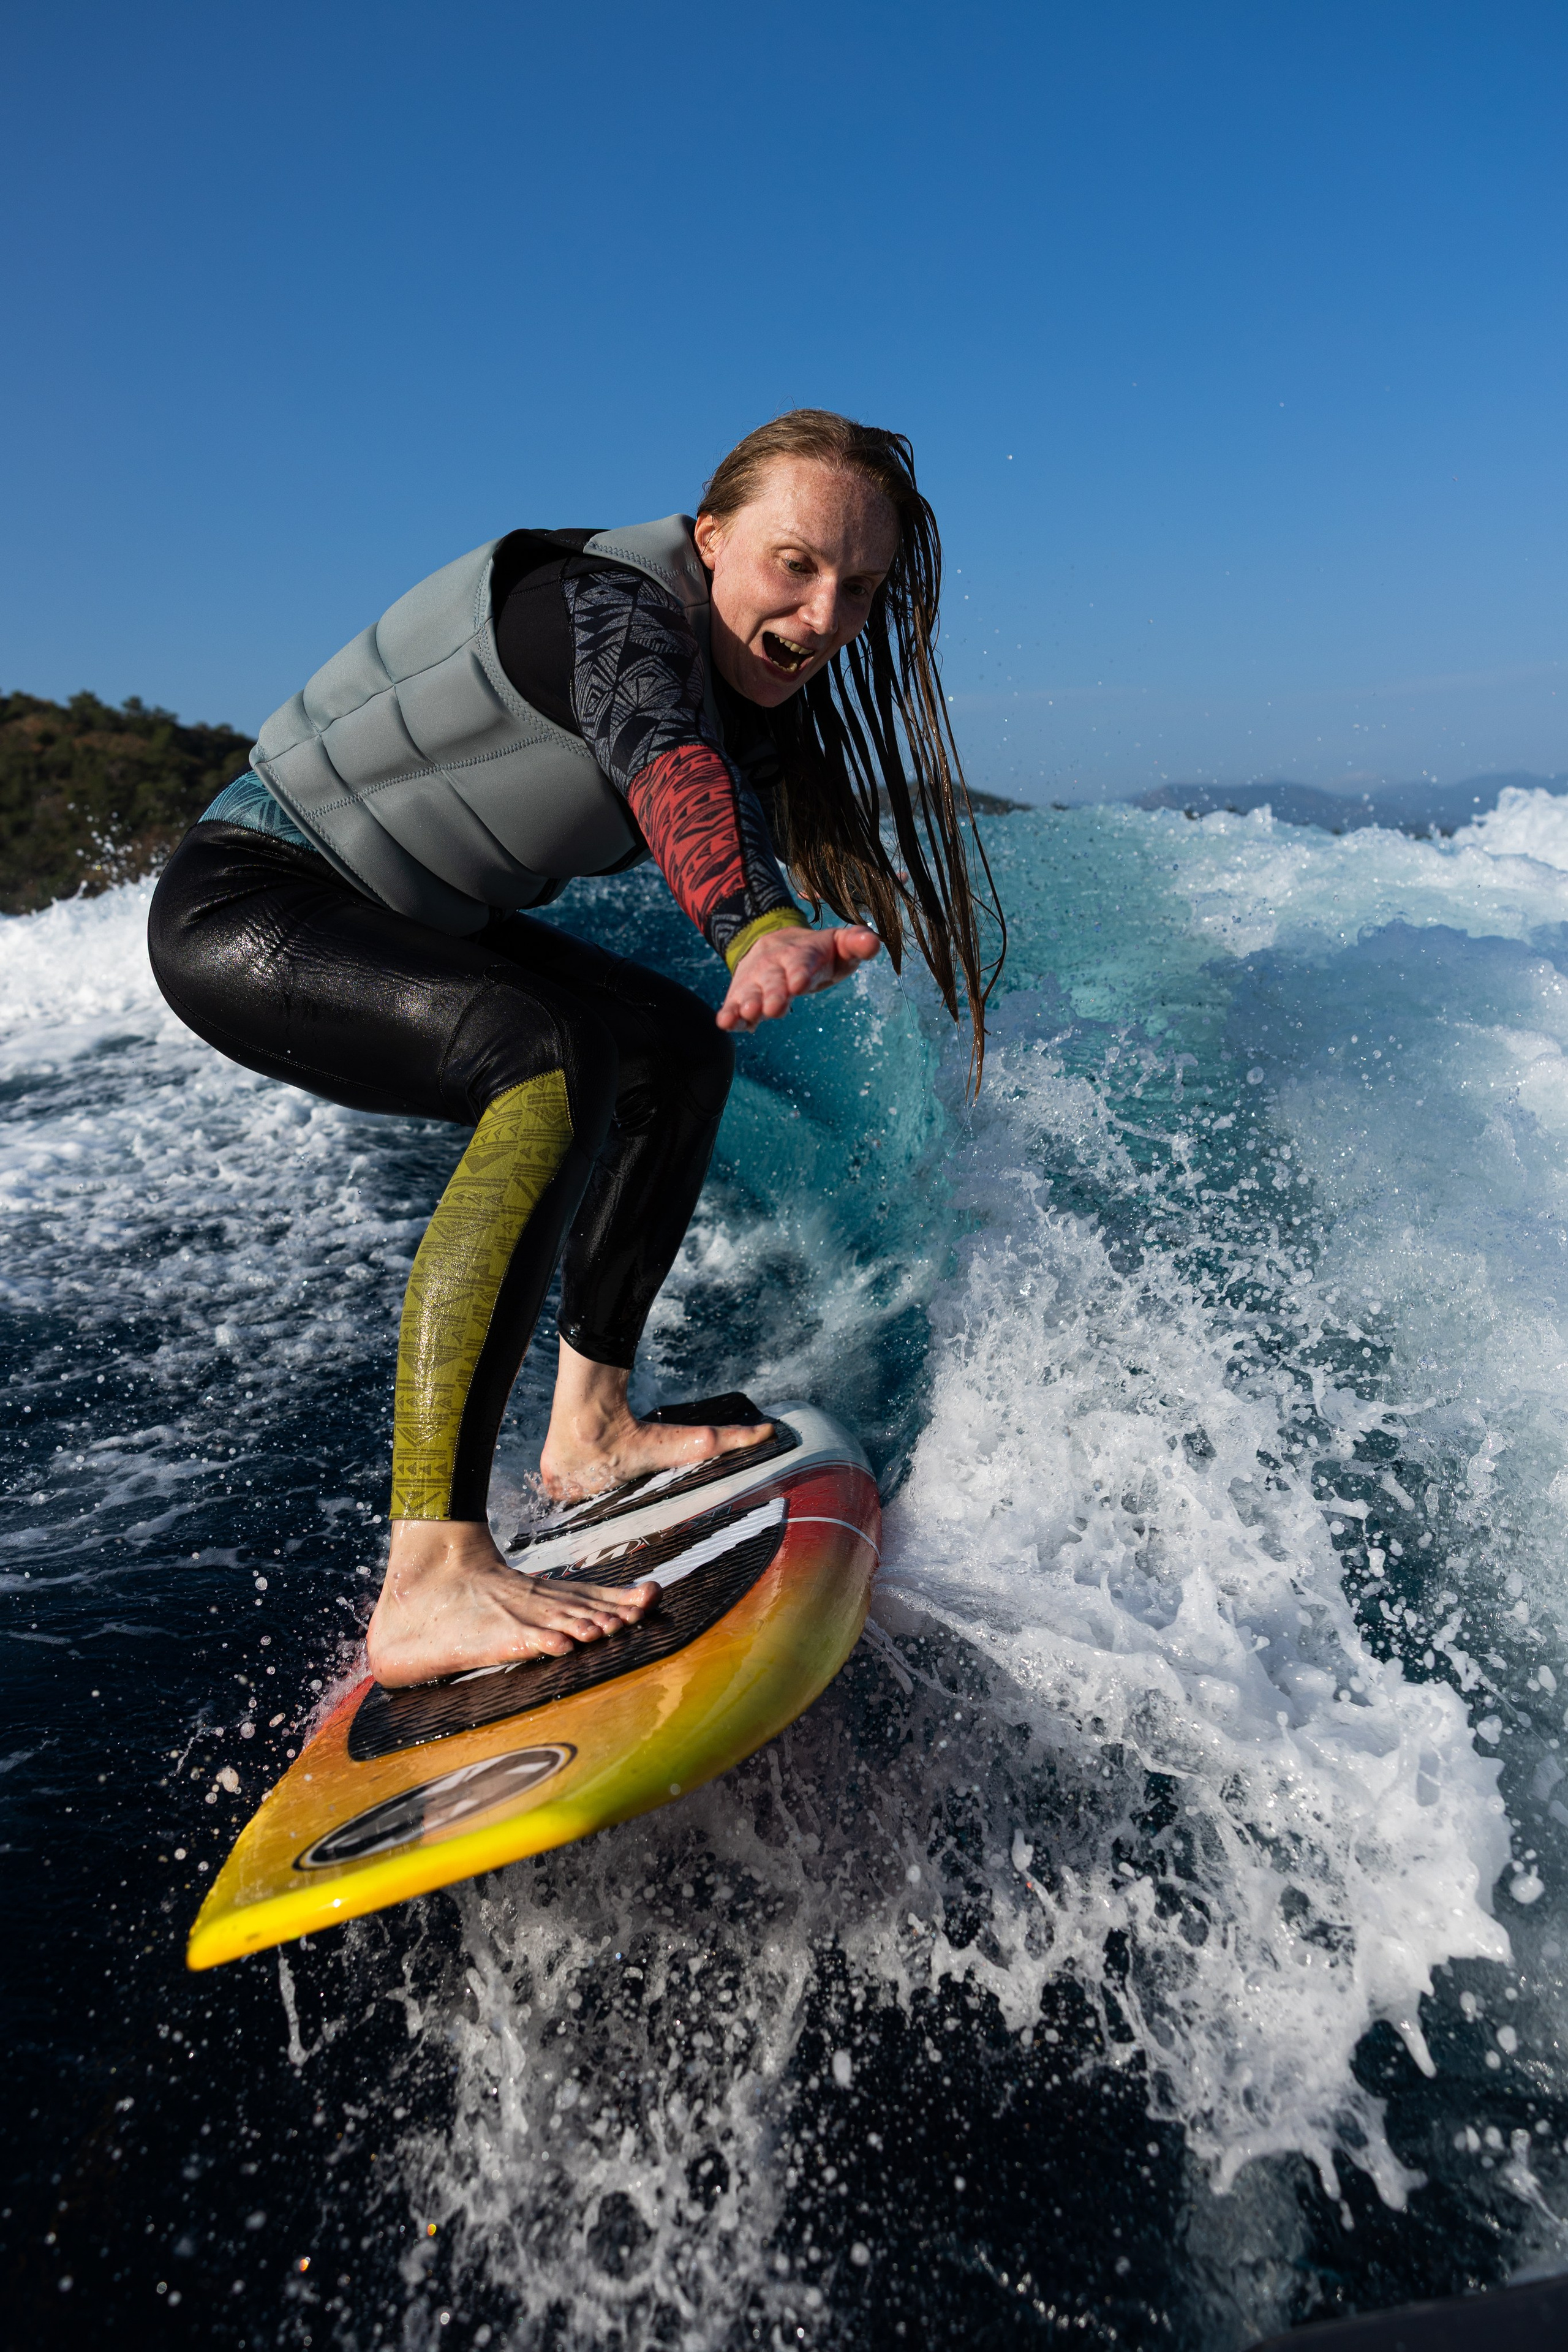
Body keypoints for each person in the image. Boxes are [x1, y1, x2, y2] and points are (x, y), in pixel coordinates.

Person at [148, 409, 1000, 1687]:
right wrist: (753, 926)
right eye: (795, 564)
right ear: (708, 539)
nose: (825, 615)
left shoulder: (752, 695)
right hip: (250, 907)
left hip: (400, 918)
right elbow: (664, 758)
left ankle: (590, 1433)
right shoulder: (605, 607)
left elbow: (742, 789)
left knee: (667, 1054)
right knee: (544, 1055)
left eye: (859, 587)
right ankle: (429, 1580)